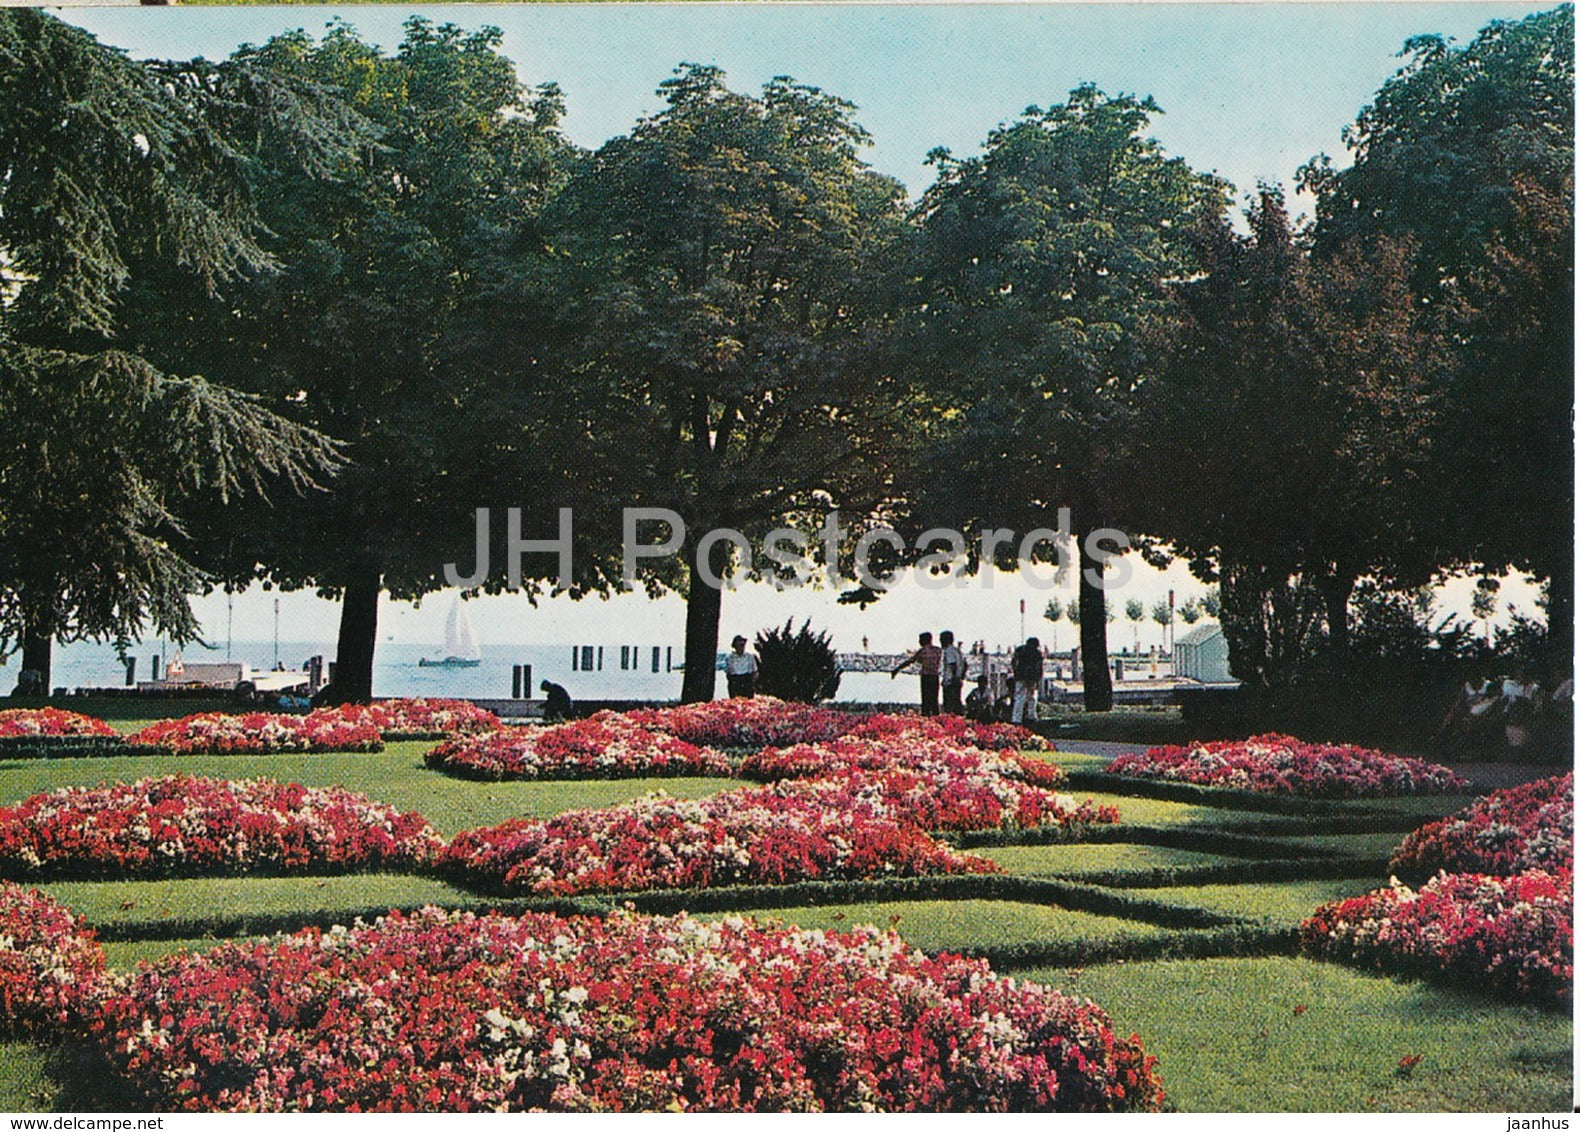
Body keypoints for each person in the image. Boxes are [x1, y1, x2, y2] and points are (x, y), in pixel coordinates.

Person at [891, 631, 943, 715]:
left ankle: (926, 716)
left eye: (920, 640)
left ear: (924, 640)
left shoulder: (923, 651)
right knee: (934, 699)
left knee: (925, 700)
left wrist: (897, 669)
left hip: (926, 677)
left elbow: (911, 661)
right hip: (935, 676)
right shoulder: (937, 650)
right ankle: (936, 717)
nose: (919, 642)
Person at [1010, 636, 1045, 725]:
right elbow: (1040, 667)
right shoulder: (1037, 653)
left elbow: (1014, 661)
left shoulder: (1020, 650)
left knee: (1019, 697)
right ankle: (1031, 716)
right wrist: (1039, 678)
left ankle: (1016, 719)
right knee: (1031, 697)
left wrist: (1015, 672)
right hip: (1031, 677)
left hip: (1021, 676)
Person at [939, 630, 968, 714]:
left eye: (941, 639)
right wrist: (961, 677)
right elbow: (965, 665)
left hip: (950, 682)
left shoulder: (949, 651)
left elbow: (952, 665)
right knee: (957, 703)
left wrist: (954, 678)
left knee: (949, 705)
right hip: (957, 680)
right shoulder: (957, 651)